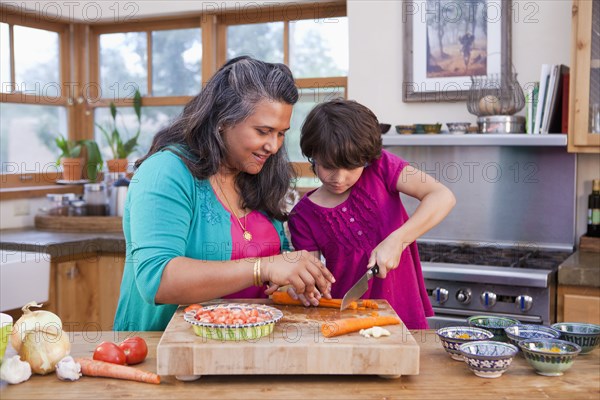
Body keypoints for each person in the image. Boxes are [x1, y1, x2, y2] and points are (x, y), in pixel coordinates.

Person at [113, 57, 335, 331]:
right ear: (222, 120)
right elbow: (157, 280)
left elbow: (276, 259)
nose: (273, 146)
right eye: (263, 131)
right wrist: (263, 268)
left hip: (247, 349)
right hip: (164, 351)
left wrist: (292, 280)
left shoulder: (257, 174)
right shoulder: (166, 171)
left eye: (280, 134)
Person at [288, 99, 456, 329]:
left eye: (351, 167)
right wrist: (303, 288)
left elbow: (441, 196)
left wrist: (398, 240)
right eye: (328, 166)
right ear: (312, 155)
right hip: (349, 321)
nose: (339, 178)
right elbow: (315, 280)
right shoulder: (302, 217)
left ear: (365, 161)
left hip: (402, 310)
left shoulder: (381, 168)